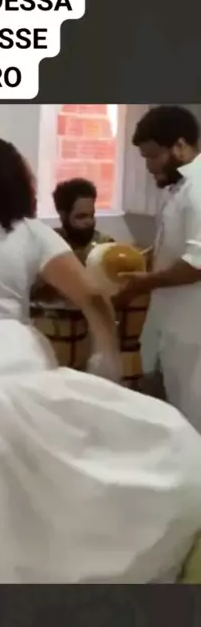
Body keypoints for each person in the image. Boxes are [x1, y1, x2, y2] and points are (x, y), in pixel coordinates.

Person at [0, 138, 201, 584]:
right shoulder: (29, 233)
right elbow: (92, 297)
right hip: (6, 366)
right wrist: (107, 357)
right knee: (17, 486)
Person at [124, 105, 201, 432]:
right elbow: (175, 247)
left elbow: (197, 263)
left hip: (194, 331)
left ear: (180, 146)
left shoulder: (199, 187)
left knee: (194, 421)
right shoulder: (180, 188)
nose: (149, 166)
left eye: (154, 156)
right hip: (176, 329)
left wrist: (145, 282)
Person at [53, 177, 114, 262]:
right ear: (63, 215)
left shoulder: (106, 247)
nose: (90, 222)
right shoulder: (51, 244)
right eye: (81, 216)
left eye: (92, 215)